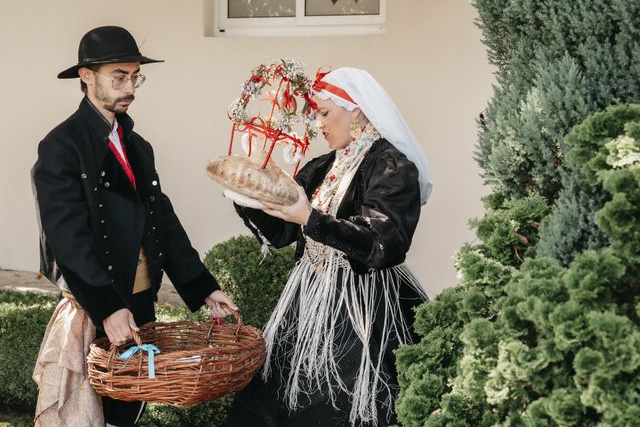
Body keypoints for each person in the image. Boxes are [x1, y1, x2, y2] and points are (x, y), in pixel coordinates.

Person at [31, 26, 237, 427]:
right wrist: (107, 307)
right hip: (97, 306)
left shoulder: (138, 146)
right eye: (119, 77)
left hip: (140, 301)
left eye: (135, 77)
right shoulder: (61, 146)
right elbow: (66, 236)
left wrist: (203, 286)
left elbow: (162, 222)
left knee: (131, 405)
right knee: (89, 414)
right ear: (86, 76)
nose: (131, 87)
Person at [225, 67, 433, 426]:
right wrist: (250, 198)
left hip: (364, 308)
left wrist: (312, 218)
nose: (318, 124)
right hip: (307, 299)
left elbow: (384, 242)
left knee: (345, 402)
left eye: (324, 113)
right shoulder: (321, 167)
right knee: (277, 395)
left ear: (357, 109)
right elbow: (282, 234)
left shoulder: (391, 165)